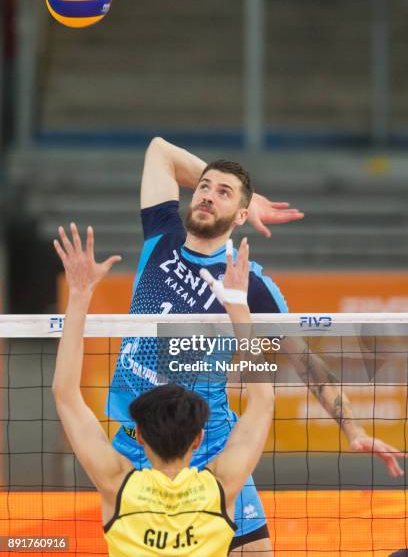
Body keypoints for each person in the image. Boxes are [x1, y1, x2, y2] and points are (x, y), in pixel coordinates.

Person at [104, 137, 405, 555]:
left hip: (210, 445)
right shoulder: (161, 236)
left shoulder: (251, 285)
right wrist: (246, 194)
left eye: (223, 193)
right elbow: (159, 151)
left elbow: (306, 364)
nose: (207, 195)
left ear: (241, 215)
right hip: (135, 443)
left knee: (255, 552)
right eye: (204, 186)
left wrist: (353, 430)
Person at [52, 224, 274, 556]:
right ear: (199, 439)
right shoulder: (219, 490)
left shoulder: (119, 486)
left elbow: (65, 393)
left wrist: (80, 294)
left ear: (138, 436)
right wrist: (239, 308)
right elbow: (263, 401)